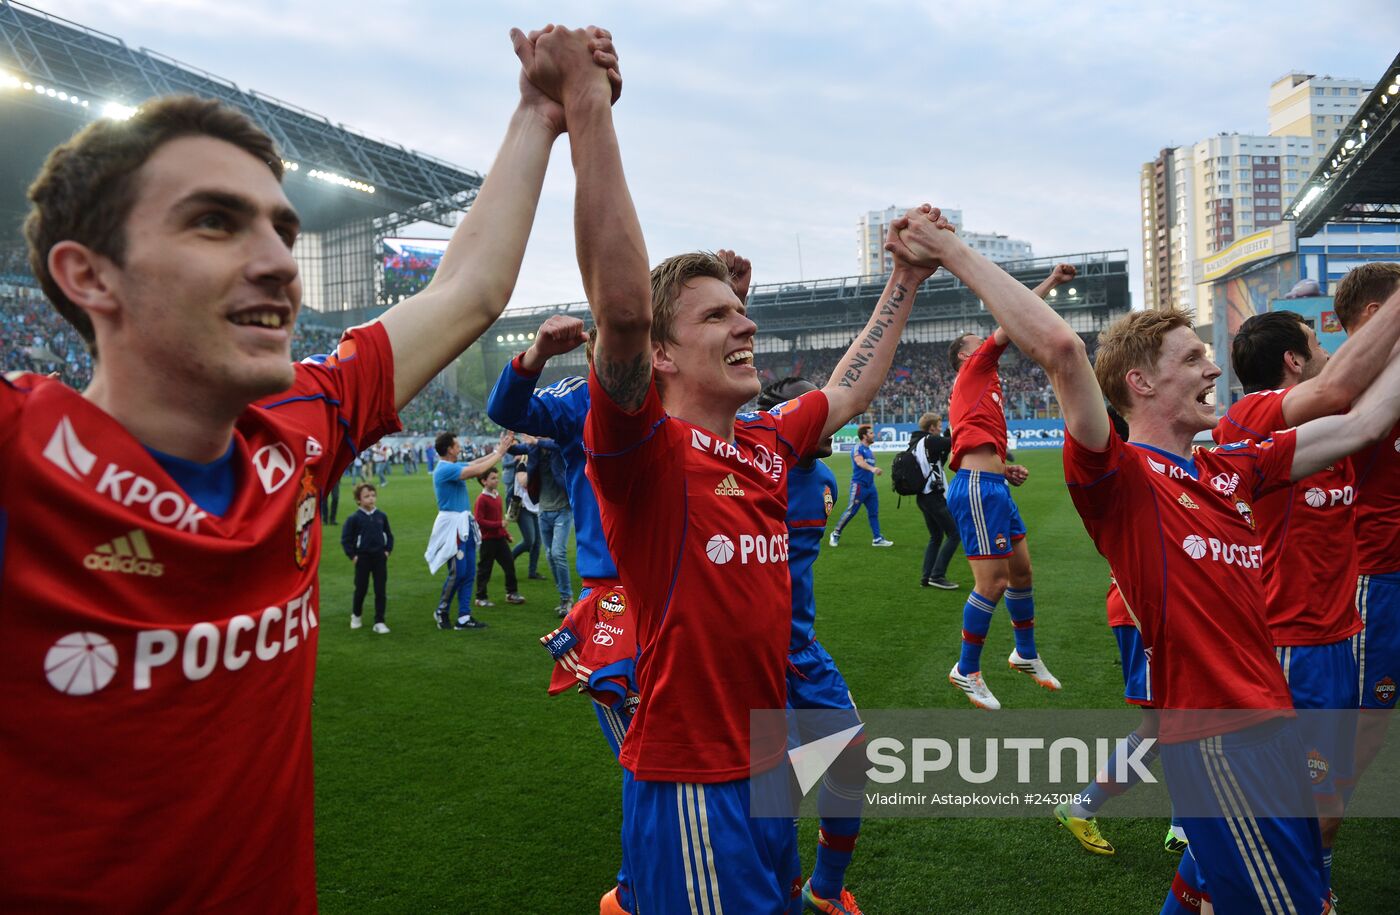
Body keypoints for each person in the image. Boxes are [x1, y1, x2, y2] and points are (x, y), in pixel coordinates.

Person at [0, 26, 621, 908]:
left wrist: (539, 113)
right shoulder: (19, 460)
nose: (278, 263)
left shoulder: (301, 427)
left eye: (283, 230)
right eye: (215, 222)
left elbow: (467, 293)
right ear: (89, 274)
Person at [522, 24, 946, 910]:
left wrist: (904, 276)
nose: (745, 325)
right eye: (717, 317)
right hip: (692, 787)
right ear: (662, 356)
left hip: (763, 772)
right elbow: (623, 308)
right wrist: (590, 112)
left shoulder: (762, 444)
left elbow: (850, 385)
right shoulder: (643, 453)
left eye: (738, 311)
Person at [892, 211, 1400, 914]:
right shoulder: (1121, 477)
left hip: (1268, 720)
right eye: (1192, 359)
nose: (1214, 367)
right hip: (1222, 740)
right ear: (1141, 382)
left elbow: (1361, 424)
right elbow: (1065, 350)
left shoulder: (1229, 465)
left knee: (1206, 893)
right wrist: (950, 249)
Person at [1213, 303, 1400, 897]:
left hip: (1337, 640)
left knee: (1326, 805)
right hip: (1287, 646)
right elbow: (1346, 386)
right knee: (1287, 809)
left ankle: (1313, 893)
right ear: (1293, 360)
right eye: (1315, 343)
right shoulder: (1247, 420)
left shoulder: (1331, 429)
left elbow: (1370, 409)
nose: (1328, 349)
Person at [486, 312, 640, 914]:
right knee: (646, 758)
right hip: (620, 603)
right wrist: (538, 353)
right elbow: (509, 408)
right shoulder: (580, 399)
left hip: (693, 592)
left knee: (711, 746)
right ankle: (633, 891)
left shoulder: (681, 392)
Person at [942, 263, 1075, 710]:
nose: (982, 341)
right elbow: (1015, 317)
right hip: (977, 489)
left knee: (1021, 573)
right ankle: (966, 669)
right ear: (965, 355)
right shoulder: (977, 367)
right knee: (993, 583)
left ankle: (1025, 654)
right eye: (973, 342)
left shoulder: (988, 384)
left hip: (992, 484)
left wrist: (1006, 469)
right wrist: (1052, 282)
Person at [758, 376, 868, 915]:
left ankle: (825, 886)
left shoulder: (826, 481)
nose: (833, 418)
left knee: (852, 758)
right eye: (816, 410)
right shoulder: (748, 476)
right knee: (773, 794)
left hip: (803, 652)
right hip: (751, 659)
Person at [1329, 263, 1400, 802]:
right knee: (1366, 716)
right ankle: (1320, 845)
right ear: (1378, 315)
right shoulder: (1344, 390)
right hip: (1379, 576)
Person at [429, 430, 514, 629]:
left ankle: (464, 617)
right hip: (454, 526)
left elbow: (476, 463)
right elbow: (476, 471)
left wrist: (497, 451)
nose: (459, 448)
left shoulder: (449, 466)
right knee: (458, 573)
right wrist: (500, 454)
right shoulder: (444, 469)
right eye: (456, 445)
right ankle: (441, 611)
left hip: (463, 525)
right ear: (450, 449)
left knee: (468, 573)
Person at [911, 411, 960, 589]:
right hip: (934, 496)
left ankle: (927, 576)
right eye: (939, 426)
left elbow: (942, 455)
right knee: (955, 534)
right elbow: (953, 442)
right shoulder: (930, 440)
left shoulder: (918, 442)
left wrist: (948, 434)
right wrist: (955, 428)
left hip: (923, 496)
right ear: (931, 428)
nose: (940, 429)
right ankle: (937, 575)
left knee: (936, 536)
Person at [829, 423, 892, 547]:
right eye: (871, 433)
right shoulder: (858, 448)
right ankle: (835, 533)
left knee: (874, 513)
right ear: (864, 436)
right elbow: (859, 462)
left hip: (870, 487)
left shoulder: (870, 451)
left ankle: (877, 538)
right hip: (859, 486)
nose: (873, 435)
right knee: (851, 511)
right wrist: (873, 469)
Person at [342, 482, 393, 633]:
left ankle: (379, 621)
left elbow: (389, 535)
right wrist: (353, 556)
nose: (371, 499)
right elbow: (346, 539)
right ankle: (356, 615)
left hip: (379, 557)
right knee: (361, 589)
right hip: (362, 558)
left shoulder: (381, 516)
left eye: (373, 495)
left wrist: (387, 551)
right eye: (366, 496)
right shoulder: (354, 519)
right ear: (359, 500)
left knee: (380, 590)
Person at [473, 467, 525, 607]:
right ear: (484, 481)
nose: (497, 481)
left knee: (509, 564)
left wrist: (506, 534)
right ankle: (480, 597)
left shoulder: (497, 496)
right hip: (487, 541)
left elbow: (500, 520)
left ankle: (511, 593)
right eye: (493, 478)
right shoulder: (481, 499)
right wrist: (499, 524)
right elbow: (479, 520)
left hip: (500, 539)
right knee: (485, 569)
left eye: (497, 477)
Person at [534, 436, 574, 615]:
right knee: (550, 555)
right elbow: (516, 451)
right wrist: (506, 443)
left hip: (562, 510)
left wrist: (536, 442)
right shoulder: (534, 452)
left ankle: (567, 598)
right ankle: (563, 596)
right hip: (543, 511)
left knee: (558, 553)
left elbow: (557, 443)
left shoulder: (558, 450)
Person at [510, 453, 544, 580]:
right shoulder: (522, 466)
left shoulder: (539, 466)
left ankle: (532, 572)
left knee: (537, 543)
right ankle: (508, 560)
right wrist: (535, 467)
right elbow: (523, 482)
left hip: (536, 508)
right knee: (529, 540)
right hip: (523, 508)